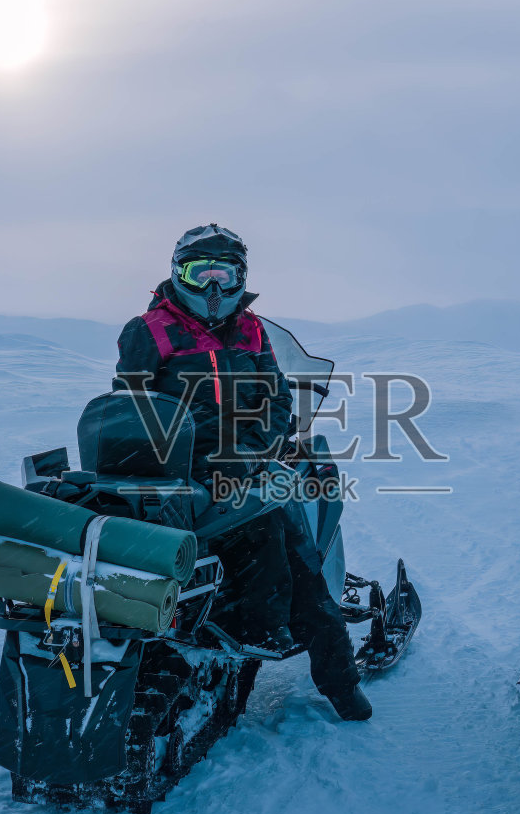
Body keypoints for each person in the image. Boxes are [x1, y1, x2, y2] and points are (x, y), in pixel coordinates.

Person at [113, 223, 372, 722]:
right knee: (289, 545)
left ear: (240, 277)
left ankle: (339, 682)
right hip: (179, 468)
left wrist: (256, 448)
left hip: (248, 464)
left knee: (303, 565)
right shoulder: (150, 330)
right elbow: (132, 408)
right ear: (177, 273)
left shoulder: (251, 330)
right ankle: (249, 632)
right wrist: (190, 455)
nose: (213, 288)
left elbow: (278, 399)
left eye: (224, 275)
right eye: (200, 273)